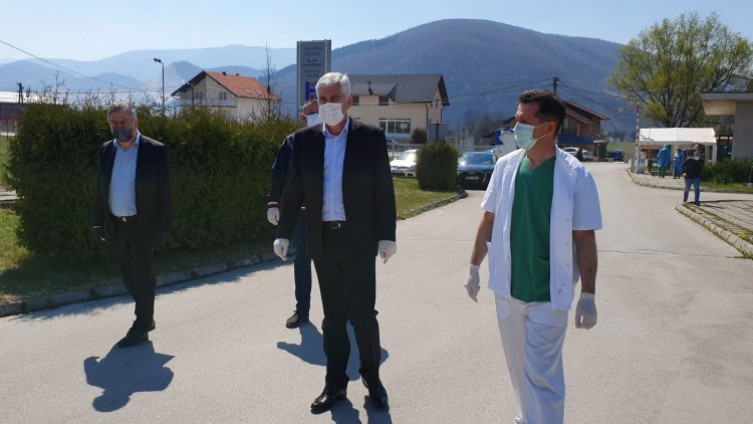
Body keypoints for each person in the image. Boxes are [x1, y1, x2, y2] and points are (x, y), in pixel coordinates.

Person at [465, 90, 602, 424]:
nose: (516, 127)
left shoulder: (575, 176)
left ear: (548, 127)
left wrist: (588, 294)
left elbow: (585, 240)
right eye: (516, 119)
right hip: (508, 288)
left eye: (524, 121)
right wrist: (473, 266)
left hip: (548, 293)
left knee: (542, 375)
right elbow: (489, 219)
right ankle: (526, 417)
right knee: (518, 368)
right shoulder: (506, 167)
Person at [273, 72, 397, 413]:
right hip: (322, 240)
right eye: (322, 99)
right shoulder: (304, 141)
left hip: (358, 240)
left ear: (348, 102)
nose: (328, 105)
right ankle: (335, 384)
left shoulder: (370, 138)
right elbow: (294, 190)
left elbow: (383, 190)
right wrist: (283, 231)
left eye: (334, 99)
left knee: (363, 316)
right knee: (333, 318)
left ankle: (372, 379)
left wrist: (387, 235)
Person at [92, 103, 172, 348]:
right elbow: (100, 188)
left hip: (142, 225)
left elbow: (165, 191)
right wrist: (97, 222)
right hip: (116, 225)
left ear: (135, 122)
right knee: (127, 275)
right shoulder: (107, 150)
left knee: (142, 275)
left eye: (123, 122)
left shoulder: (154, 150)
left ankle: (142, 324)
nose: (119, 127)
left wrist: (163, 226)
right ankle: (146, 315)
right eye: (114, 123)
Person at [267, 99, 320, 328]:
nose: (317, 115)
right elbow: (278, 173)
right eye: (312, 113)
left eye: (319, 111)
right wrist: (272, 203)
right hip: (301, 215)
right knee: (301, 261)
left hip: (328, 215)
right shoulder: (291, 142)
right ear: (303, 117)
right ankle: (302, 311)